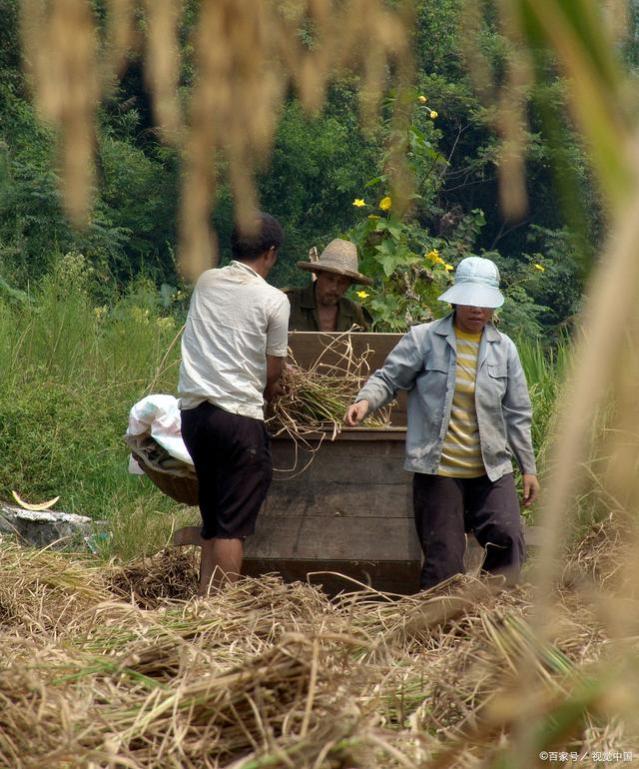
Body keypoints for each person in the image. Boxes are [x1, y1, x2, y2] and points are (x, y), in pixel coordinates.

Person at [345, 256, 540, 589]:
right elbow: (390, 378)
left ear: (492, 306)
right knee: (444, 562)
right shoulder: (425, 339)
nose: (477, 310)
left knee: (508, 535)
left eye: (484, 303)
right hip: (439, 470)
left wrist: (529, 468)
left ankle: (493, 612)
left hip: (490, 469)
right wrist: (365, 401)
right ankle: (438, 626)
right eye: (469, 301)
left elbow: (517, 412)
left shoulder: (503, 349)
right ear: (455, 299)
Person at [175, 213, 290, 595]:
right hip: (237, 418)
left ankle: (206, 605)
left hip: (194, 417)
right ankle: (223, 614)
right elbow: (273, 370)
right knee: (231, 526)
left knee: (213, 518)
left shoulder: (206, 282)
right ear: (270, 254)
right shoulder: (274, 300)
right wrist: (271, 386)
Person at [286, 238, 373, 331]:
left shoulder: (353, 312)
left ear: (349, 284)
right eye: (330, 279)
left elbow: (363, 343)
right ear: (318, 274)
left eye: (342, 282)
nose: (334, 288)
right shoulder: (289, 303)